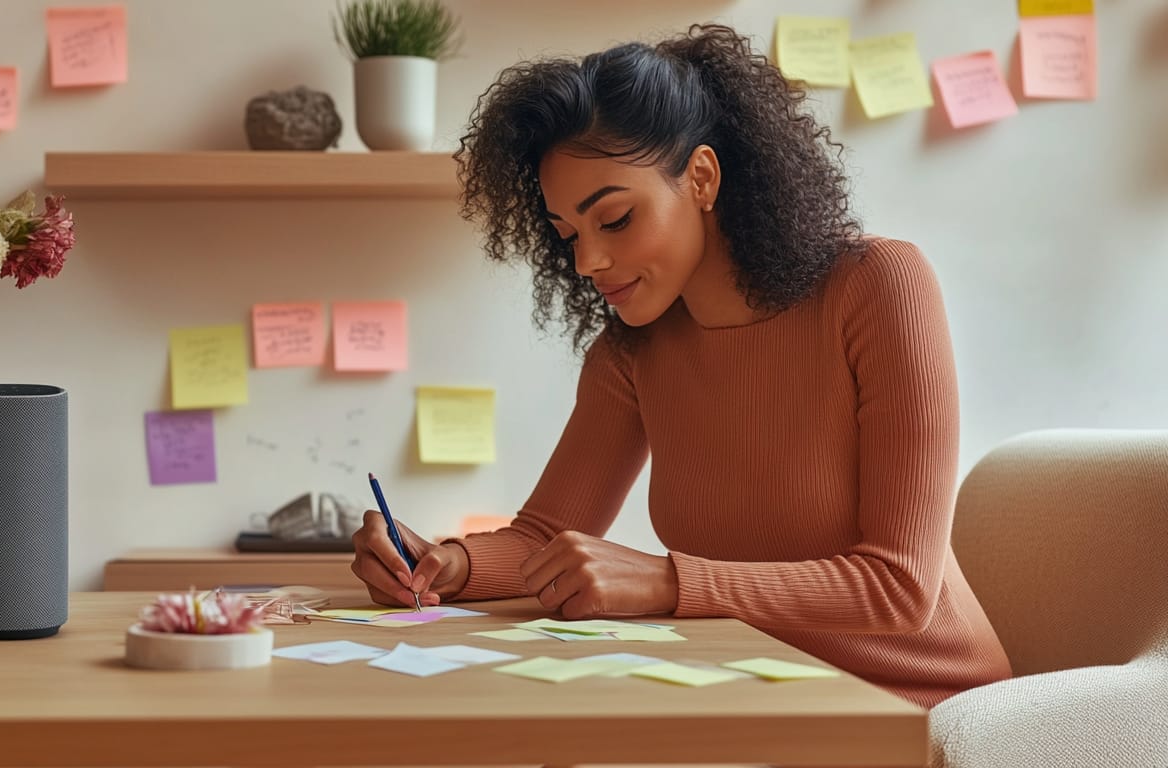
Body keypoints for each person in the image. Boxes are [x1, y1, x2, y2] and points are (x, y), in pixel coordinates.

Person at [349, 23, 1012, 709]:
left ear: (700, 178)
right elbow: (543, 537)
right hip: (757, 692)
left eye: (614, 219)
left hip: (926, 712)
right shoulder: (633, 350)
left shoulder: (877, 287)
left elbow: (899, 588)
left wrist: (668, 582)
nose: (586, 262)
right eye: (568, 235)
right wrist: (442, 565)